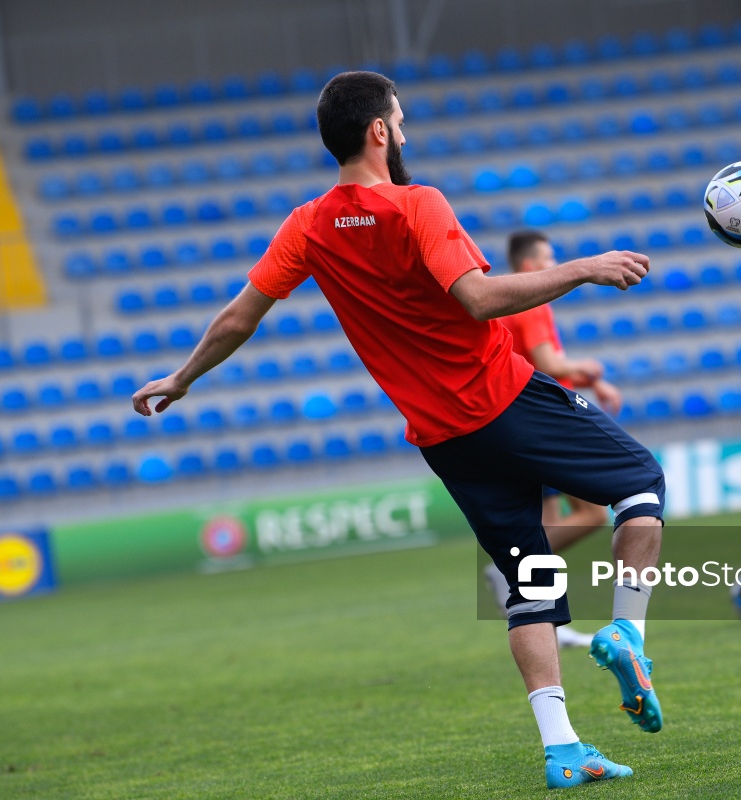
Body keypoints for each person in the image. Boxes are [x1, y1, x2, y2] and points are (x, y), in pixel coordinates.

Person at [131, 71, 664, 790]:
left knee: (528, 584)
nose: (405, 131)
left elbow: (238, 318)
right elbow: (477, 299)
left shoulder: (307, 224)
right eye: (401, 120)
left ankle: (564, 748)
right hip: (502, 398)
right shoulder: (418, 203)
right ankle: (628, 630)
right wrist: (583, 268)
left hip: (444, 437)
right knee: (640, 485)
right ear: (378, 130)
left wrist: (183, 377)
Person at [485, 230, 625, 648]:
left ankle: (549, 620)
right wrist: (588, 368)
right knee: (593, 513)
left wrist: (587, 380)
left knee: (547, 519)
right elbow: (547, 362)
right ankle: (512, 569)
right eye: (548, 259)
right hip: (543, 418)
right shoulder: (533, 300)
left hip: (518, 417)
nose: (553, 266)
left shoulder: (509, 301)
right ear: (530, 265)